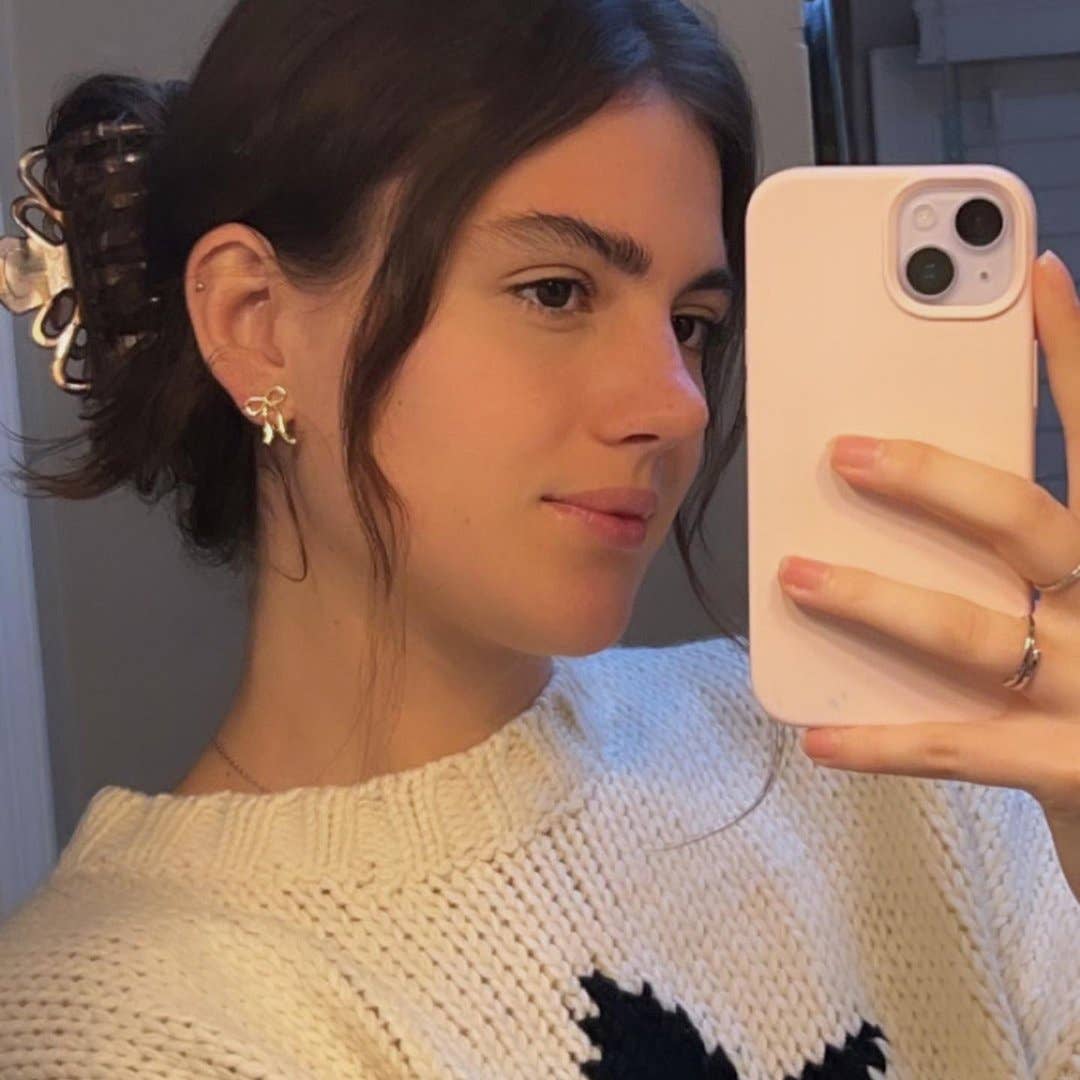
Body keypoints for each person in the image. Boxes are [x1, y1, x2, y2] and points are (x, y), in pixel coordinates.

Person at [0, 1, 1077, 1076]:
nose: (679, 404)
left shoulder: (890, 762)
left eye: (691, 324)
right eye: (556, 292)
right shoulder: (130, 1019)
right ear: (255, 322)